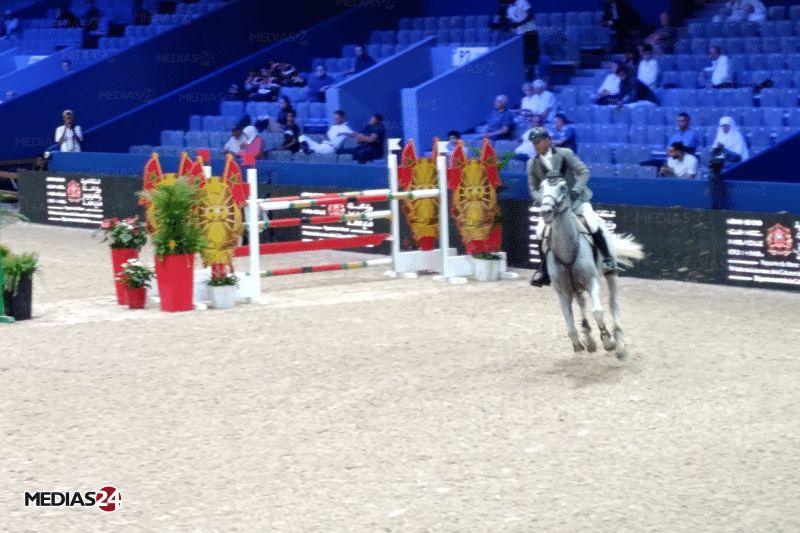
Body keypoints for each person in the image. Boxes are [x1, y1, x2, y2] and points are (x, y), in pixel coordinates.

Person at [526, 127, 616, 287]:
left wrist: (575, 191)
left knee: (592, 222)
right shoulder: (532, 163)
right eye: (534, 143)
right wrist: (545, 199)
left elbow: (584, 172)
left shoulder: (565, 154)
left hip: (576, 201)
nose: (536, 145)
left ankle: (607, 259)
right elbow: (533, 188)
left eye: (538, 142)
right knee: (539, 232)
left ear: (547, 140)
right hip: (553, 207)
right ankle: (544, 270)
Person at [505, 0, 539, 79]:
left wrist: (518, 24)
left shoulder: (522, 1)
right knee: (523, 57)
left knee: (532, 55)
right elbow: (511, 21)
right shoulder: (509, 8)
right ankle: (526, 76)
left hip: (531, 32)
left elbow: (530, 16)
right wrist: (509, 25)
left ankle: (534, 77)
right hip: (520, 34)